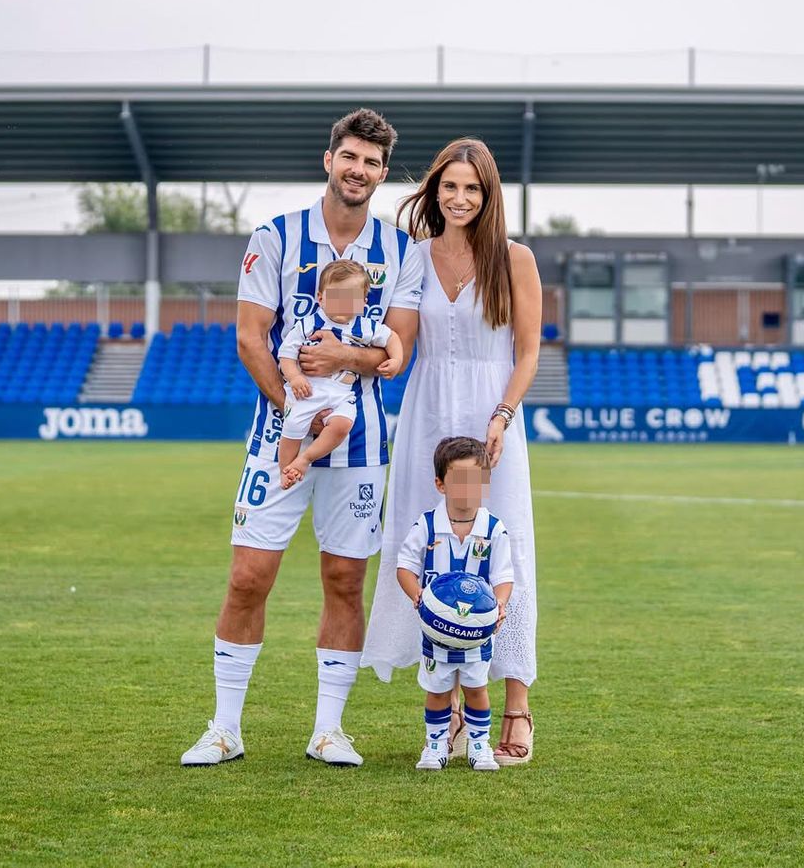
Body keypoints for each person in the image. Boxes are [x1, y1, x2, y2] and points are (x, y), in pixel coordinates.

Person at [181, 108, 422, 768]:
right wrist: (296, 406)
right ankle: (225, 727)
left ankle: (328, 730)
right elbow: (249, 336)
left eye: (372, 163)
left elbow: (395, 352)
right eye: (351, 157)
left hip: (363, 442)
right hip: (277, 434)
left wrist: (344, 360)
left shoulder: (400, 250)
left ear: (380, 173)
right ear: (329, 159)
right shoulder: (277, 237)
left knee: (345, 579)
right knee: (248, 576)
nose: (360, 170)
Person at [362, 138, 542, 765]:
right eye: (449, 187)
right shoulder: (415, 256)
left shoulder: (515, 259)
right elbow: (403, 341)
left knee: (504, 547)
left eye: (472, 188)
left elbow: (527, 354)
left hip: (495, 419)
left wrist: (502, 415)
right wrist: (370, 354)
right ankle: (460, 716)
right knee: (432, 550)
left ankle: (515, 707)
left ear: (488, 195)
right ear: (434, 190)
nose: (459, 199)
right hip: (427, 418)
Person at [396, 437, 514, 772]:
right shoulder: (428, 525)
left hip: (478, 631)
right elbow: (404, 565)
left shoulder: (493, 529)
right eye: (458, 481)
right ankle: (435, 746)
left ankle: (480, 746)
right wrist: (416, 594)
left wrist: (500, 605)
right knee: (437, 692)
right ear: (440, 484)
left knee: (477, 689)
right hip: (437, 634)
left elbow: (504, 575)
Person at [277, 259, 403, 490]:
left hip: (342, 395)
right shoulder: (308, 324)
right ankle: (286, 469)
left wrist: (396, 360)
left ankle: (305, 459)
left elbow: (392, 338)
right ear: (321, 297)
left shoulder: (365, 327)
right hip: (308, 392)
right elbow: (286, 354)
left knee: (342, 424)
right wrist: (295, 378)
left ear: (363, 302)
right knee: (293, 427)